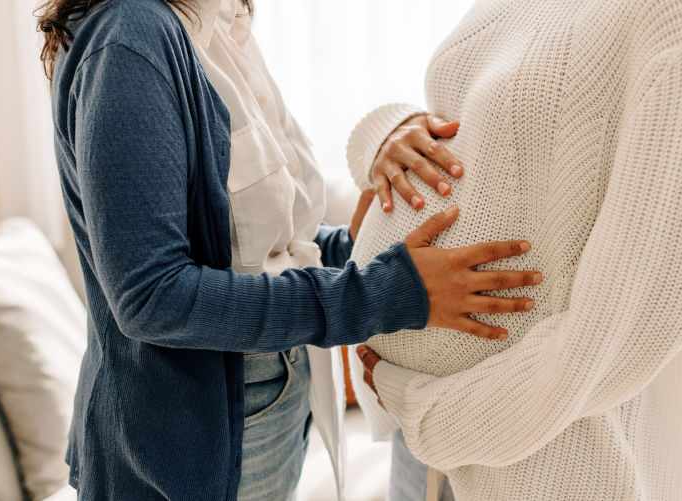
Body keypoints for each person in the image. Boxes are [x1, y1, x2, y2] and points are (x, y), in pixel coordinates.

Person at [36, 0, 543, 499]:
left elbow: (255, 248)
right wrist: (384, 293)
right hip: (197, 434)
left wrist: (357, 245)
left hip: (268, 403)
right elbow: (153, 297)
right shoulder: (130, 38)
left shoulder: (218, 26)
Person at [348, 0, 682, 499]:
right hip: (423, 446)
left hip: (545, 461)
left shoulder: (674, 11)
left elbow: (652, 312)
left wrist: (432, 415)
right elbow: (476, 112)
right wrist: (389, 132)